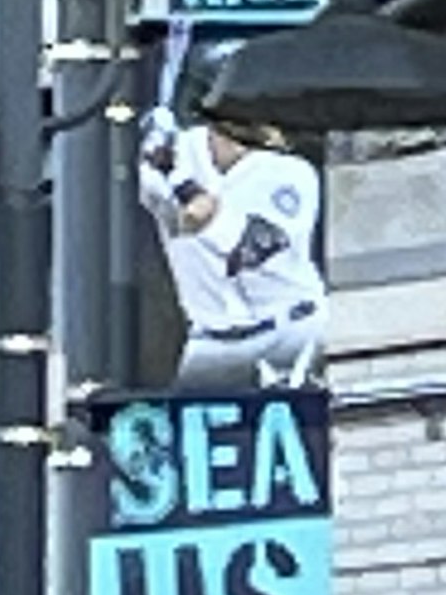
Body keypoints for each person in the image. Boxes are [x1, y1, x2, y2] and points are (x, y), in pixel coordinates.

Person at [138, 68, 327, 390]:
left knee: (312, 430)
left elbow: (252, 246)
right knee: (184, 435)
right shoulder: (180, 150)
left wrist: (179, 181)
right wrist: (149, 146)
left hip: (294, 329)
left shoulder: (291, 171)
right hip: (211, 341)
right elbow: (162, 202)